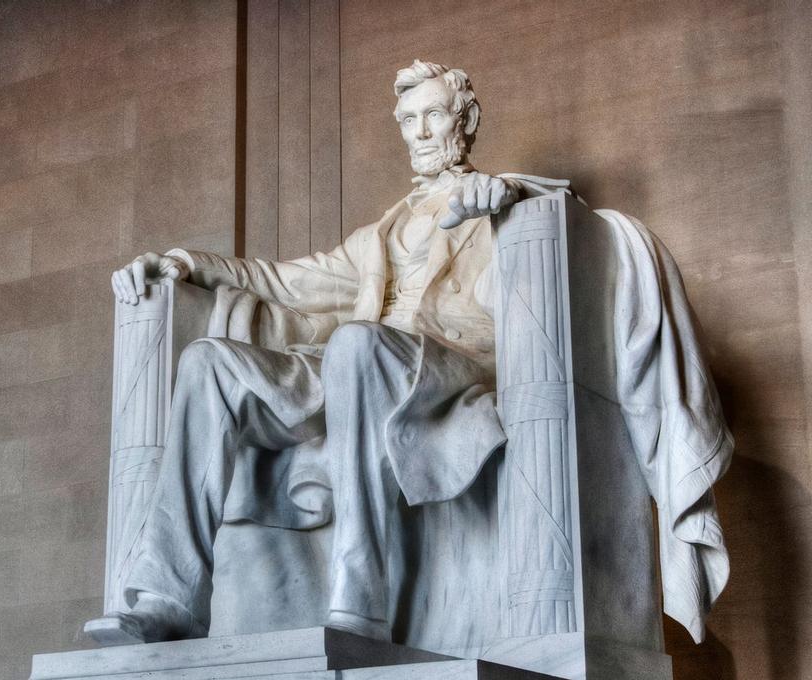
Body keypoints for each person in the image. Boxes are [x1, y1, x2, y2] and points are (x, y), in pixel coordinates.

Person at [108, 59, 570, 643]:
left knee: (353, 344)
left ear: (467, 119)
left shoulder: (502, 201)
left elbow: (558, 214)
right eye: (408, 120)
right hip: (358, 365)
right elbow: (284, 280)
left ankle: (359, 597)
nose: (421, 132)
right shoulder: (380, 234)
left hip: (447, 366)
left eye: (434, 114)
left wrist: (506, 198)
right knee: (208, 363)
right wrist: (183, 263)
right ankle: (170, 598)